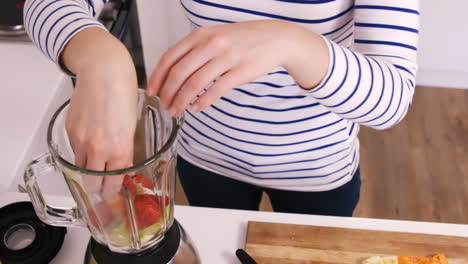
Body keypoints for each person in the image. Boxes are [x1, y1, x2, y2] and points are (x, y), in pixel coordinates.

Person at [24, 0, 419, 217]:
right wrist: (99, 59)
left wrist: (294, 43)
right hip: (206, 155)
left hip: (315, 168)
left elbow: (393, 99)